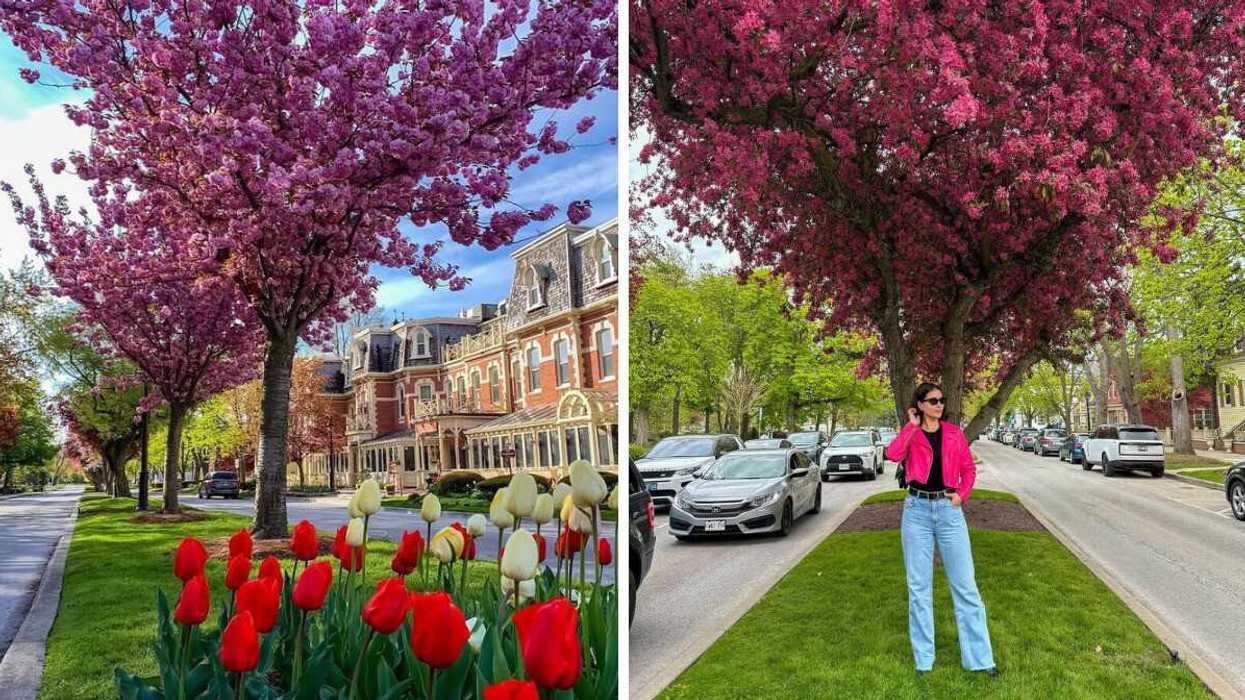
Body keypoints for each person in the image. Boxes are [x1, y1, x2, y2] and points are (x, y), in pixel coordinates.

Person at [884, 382, 998, 678]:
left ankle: (980, 659)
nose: (939, 405)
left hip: (949, 511)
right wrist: (910, 426)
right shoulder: (912, 432)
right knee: (919, 589)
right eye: (933, 400)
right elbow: (893, 455)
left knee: (966, 587)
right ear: (920, 405)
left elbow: (968, 469)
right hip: (917, 512)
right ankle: (924, 660)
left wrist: (962, 495)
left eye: (941, 400)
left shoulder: (954, 433)